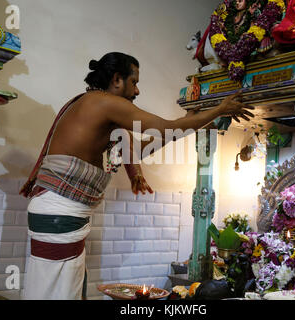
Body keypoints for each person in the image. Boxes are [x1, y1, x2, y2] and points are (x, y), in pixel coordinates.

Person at [20, 52, 254, 300]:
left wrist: (191, 123)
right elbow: (164, 127)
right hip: (59, 211)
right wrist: (219, 109)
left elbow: (141, 149)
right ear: (117, 79)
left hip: (56, 210)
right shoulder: (104, 102)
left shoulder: (97, 106)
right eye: (135, 82)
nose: (137, 91)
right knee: (57, 291)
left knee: (56, 286)